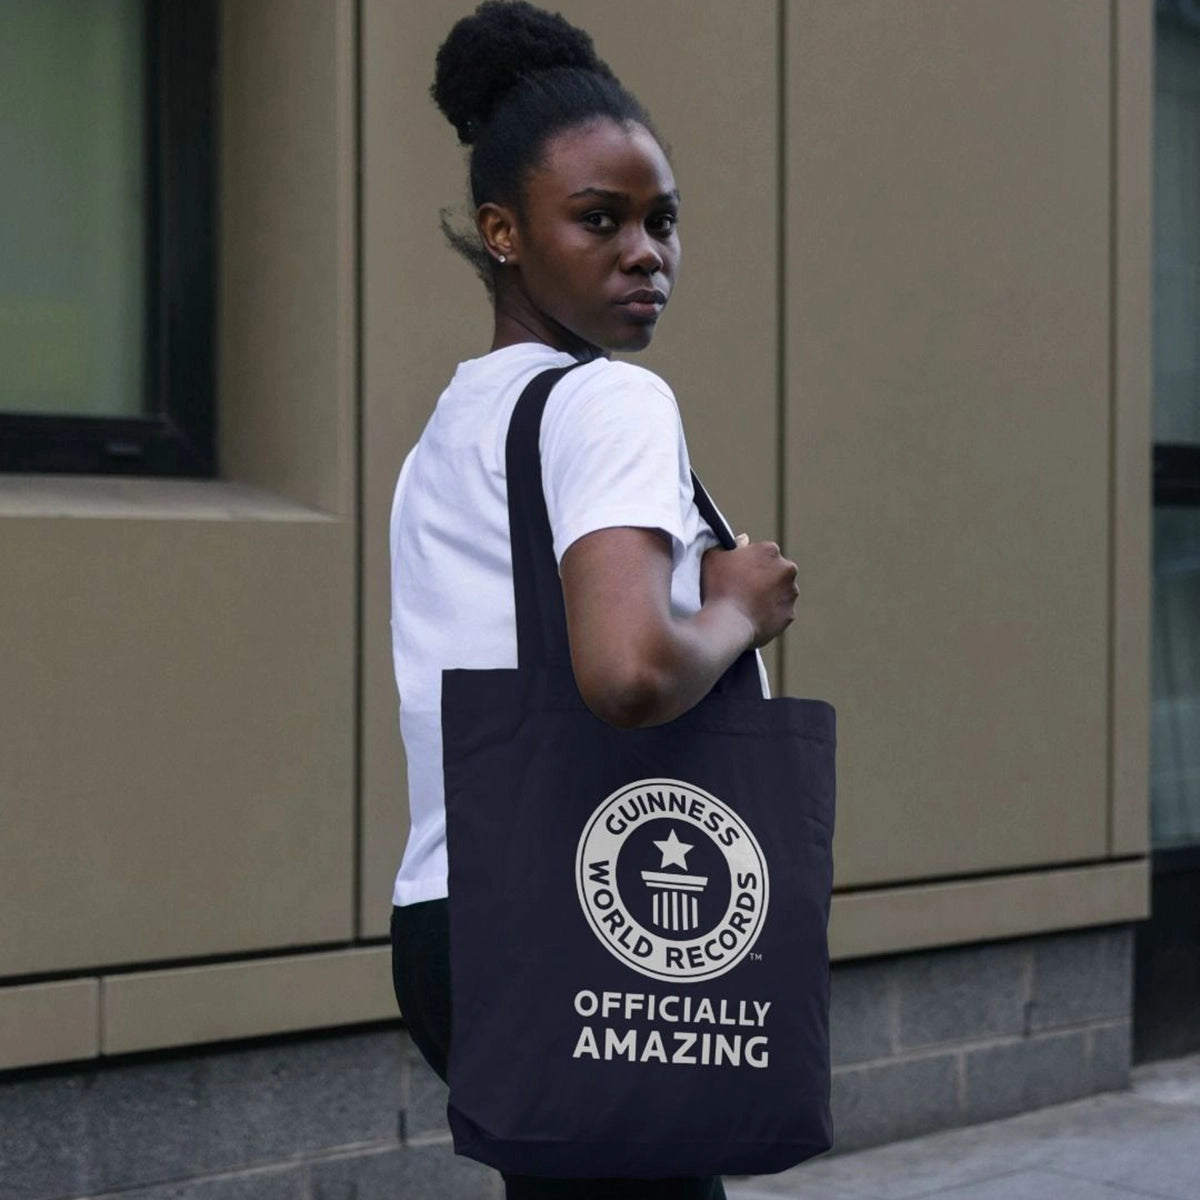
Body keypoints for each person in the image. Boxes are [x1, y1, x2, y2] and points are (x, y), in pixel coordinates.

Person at [388, 4, 800, 1196]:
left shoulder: (454, 428)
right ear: (505, 232)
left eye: (663, 221)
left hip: (451, 921)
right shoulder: (613, 404)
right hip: (581, 915)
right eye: (601, 219)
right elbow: (626, 673)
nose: (646, 253)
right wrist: (743, 609)